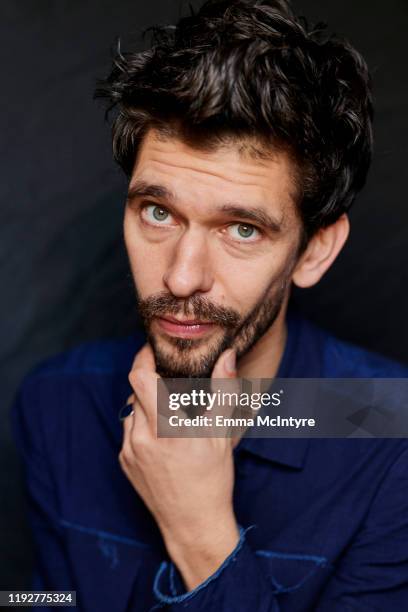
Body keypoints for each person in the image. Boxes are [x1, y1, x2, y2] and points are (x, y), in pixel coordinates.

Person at [11, 0, 408, 610]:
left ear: (314, 250)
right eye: (158, 212)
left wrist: (202, 537)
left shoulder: (389, 432)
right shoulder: (55, 402)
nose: (181, 277)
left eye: (242, 229)